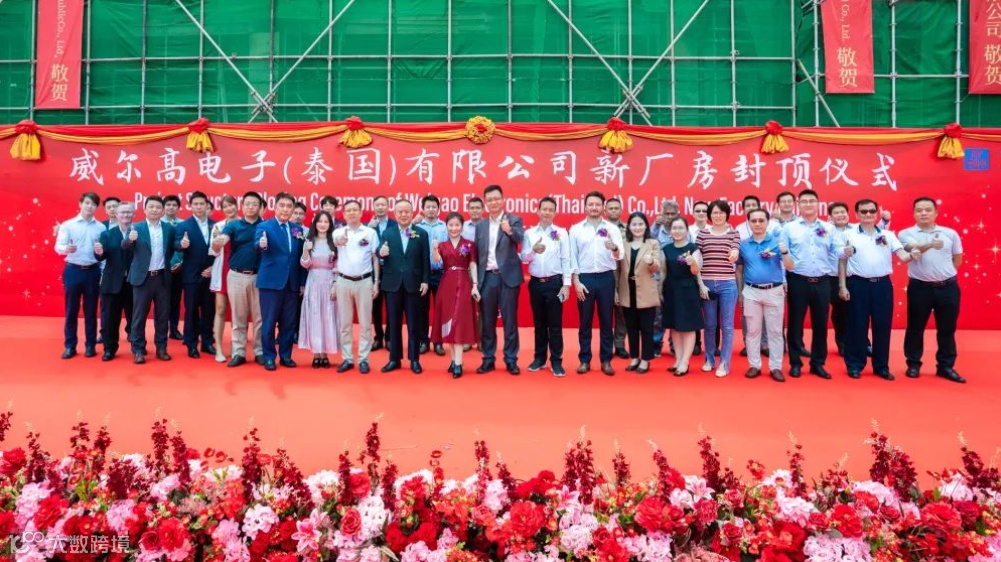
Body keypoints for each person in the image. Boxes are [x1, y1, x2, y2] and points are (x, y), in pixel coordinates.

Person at [838, 199, 920, 380]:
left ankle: (881, 366)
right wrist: (842, 286)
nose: (868, 214)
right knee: (856, 325)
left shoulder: (887, 235)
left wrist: (912, 255)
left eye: (871, 211)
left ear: (876, 214)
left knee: (882, 326)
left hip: (882, 286)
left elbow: (902, 256)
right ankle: (854, 365)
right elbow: (842, 261)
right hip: (857, 284)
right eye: (864, 211)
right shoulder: (848, 235)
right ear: (857, 214)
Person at [898, 197, 965, 383]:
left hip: (948, 287)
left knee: (947, 329)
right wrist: (929, 244)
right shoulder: (906, 233)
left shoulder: (950, 233)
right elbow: (911, 248)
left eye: (928, 210)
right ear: (914, 213)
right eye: (919, 210)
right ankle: (913, 364)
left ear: (936, 213)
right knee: (915, 327)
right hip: (920, 288)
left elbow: (957, 258)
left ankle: (945, 366)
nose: (924, 213)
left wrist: (944, 275)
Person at [780, 189, 840, 379]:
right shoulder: (789, 228)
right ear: (798, 205)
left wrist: (846, 251)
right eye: (804, 201)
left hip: (823, 281)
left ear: (818, 204)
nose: (808, 204)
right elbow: (783, 255)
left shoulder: (829, 228)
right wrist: (784, 280)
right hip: (798, 280)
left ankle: (817, 363)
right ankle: (795, 363)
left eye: (811, 201)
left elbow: (836, 251)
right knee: (795, 323)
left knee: (821, 324)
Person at [570, 191, 624, 376]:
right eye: (590, 204)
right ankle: (584, 360)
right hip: (584, 278)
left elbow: (621, 254)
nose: (594, 207)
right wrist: (576, 281)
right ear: (585, 207)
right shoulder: (576, 229)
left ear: (603, 207)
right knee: (585, 321)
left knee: (607, 321)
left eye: (597, 204)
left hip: (606, 278)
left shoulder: (612, 229)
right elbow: (572, 257)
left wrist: (614, 248)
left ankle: (606, 360)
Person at [737, 208, 794, 382]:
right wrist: (740, 293)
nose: (757, 224)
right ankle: (754, 365)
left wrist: (785, 252)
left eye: (761, 220)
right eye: (753, 221)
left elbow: (790, 266)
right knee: (752, 331)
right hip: (751, 291)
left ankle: (776, 367)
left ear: (768, 222)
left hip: (774, 291)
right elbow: (739, 270)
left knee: (775, 332)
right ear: (749, 223)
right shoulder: (743, 245)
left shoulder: (777, 242)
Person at [475, 185, 525, 375]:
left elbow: (519, 239)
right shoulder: (481, 225)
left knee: (510, 321)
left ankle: (511, 359)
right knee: (487, 322)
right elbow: (478, 254)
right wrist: (475, 282)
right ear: (485, 202)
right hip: (487, 278)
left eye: (496, 198)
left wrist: (509, 230)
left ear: (503, 199)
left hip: (508, 278)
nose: (493, 202)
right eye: (490, 200)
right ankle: (488, 359)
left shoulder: (514, 219)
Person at [255, 192, 307, 372]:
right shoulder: (264, 226)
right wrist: (262, 244)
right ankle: (269, 357)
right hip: (271, 283)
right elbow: (258, 245)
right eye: (282, 206)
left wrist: (301, 282)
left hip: (292, 283)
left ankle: (286, 356)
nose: (285, 209)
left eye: (289, 206)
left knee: (289, 323)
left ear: (293, 209)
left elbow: (300, 257)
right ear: (275, 207)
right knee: (269, 322)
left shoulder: (297, 230)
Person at [520, 197, 571, 377]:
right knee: (539, 324)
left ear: (555, 213)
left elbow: (566, 259)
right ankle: (539, 359)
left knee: (555, 325)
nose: (547, 212)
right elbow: (524, 258)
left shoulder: (561, 233)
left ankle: (556, 361)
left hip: (555, 283)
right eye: (544, 209)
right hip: (536, 284)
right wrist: (533, 250)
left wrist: (566, 284)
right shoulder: (529, 233)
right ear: (538, 211)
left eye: (550, 210)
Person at [215, 191, 265, 368]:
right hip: (236, 276)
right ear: (242, 206)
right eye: (248, 204)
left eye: (254, 204)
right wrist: (220, 240)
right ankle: (238, 352)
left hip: (259, 277)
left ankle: (259, 351)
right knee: (238, 317)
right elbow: (224, 238)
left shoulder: (265, 226)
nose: (251, 207)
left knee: (259, 318)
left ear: (260, 207)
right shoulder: (234, 225)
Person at [379, 200, 430, 374]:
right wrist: (381, 252)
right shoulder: (388, 233)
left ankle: (414, 359)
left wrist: (425, 280)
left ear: (412, 212)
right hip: (392, 284)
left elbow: (425, 259)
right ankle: (394, 359)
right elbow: (380, 251)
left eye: (407, 211)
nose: (403, 215)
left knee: (414, 324)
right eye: (400, 212)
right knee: (393, 323)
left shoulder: (421, 234)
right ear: (394, 214)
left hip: (413, 283)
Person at [54, 192, 106, 359]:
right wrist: (66, 249)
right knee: (71, 310)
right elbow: (58, 246)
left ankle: (90, 345)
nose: (90, 206)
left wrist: (102, 271)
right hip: (73, 270)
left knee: (91, 311)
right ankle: (70, 346)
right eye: (87, 203)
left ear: (97, 207)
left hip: (93, 271)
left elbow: (103, 254)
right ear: (80, 204)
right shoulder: (68, 225)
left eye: (94, 204)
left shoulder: (101, 228)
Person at [125, 196, 176, 364]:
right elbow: (124, 245)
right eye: (151, 207)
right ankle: (138, 349)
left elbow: (173, 248)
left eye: (158, 207)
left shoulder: (169, 228)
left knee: (162, 316)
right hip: (143, 278)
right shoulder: (135, 227)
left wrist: (182, 245)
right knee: (139, 316)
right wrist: (130, 239)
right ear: (145, 209)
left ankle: (161, 348)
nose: (154, 210)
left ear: (162, 211)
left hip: (162, 278)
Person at [332, 200, 380, 374]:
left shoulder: (370, 233)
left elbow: (375, 258)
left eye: (355, 210)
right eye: (348, 210)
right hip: (343, 281)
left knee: (365, 324)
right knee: (345, 324)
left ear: (361, 213)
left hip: (364, 282)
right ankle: (347, 358)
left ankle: (363, 359)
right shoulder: (337, 233)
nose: (352, 213)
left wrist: (376, 282)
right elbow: (333, 251)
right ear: (344, 214)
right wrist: (339, 242)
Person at [431, 212, 480, 379]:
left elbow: (472, 265)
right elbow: (437, 261)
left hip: (464, 283)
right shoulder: (442, 245)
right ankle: (453, 361)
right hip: (447, 284)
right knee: (448, 323)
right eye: (450, 225)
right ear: (446, 226)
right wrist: (434, 249)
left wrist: (475, 285)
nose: (454, 228)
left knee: (458, 322)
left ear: (462, 226)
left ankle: (459, 363)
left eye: (457, 225)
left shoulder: (469, 244)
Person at [696, 200, 740, 377]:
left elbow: (735, 249)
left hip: (728, 284)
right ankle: (709, 360)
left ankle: (724, 363)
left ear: (727, 214)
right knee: (710, 325)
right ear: (710, 215)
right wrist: (700, 284)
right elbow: (696, 260)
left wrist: (734, 254)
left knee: (727, 326)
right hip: (707, 283)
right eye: (714, 212)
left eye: (721, 212)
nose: (718, 216)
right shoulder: (702, 234)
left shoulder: (734, 233)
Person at [615, 212, 663, 374]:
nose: (637, 227)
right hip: (627, 291)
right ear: (629, 226)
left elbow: (656, 266)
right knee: (631, 327)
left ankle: (645, 359)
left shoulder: (652, 243)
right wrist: (616, 290)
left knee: (647, 328)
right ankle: (634, 357)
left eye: (640, 224)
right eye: (634, 224)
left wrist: (651, 262)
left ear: (646, 226)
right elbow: (618, 270)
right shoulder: (623, 244)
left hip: (646, 292)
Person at [173, 191, 217, 359]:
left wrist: (213, 268)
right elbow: (176, 244)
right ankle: (191, 344)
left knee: (209, 310)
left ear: (207, 206)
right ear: (190, 206)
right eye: (195, 204)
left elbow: (220, 251)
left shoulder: (215, 225)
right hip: (191, 275)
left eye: (202, 204)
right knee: (191, 310)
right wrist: (181, 244)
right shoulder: (184, 226)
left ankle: (207, 342)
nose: (199, 207)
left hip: (211, 274)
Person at [661, 216, 704, 376]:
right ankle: (678, 359)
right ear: (670, 231)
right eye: (674, 228)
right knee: (674, 326)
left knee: (688, 326)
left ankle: (685, 362)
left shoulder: (693, 248)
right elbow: (663, 272)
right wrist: (660, 291)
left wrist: (692, 262)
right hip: (671, 289)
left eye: (680, 228)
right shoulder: (666, 249)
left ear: (687, 230)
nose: (677, 231)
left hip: (688, 290)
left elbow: (696, 271)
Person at [298, 211, 340, 369]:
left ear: (330, 225)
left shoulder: (334, 242)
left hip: (329, 281)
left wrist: (335, 284)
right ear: (315, 224)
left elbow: (338, 265)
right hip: (314, 281)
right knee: (315, 316)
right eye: (319, 221)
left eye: (326, 222)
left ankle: (325, 353)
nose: (322, 224)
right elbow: (305, 264)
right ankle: (316, 353)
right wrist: (305, 250)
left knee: (328, 317)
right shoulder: (309, 241)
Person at [95, 203, 135, 362]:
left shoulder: (138, 232)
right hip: (112, 282)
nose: (126, 215)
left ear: (133, 214)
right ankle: (109, 348)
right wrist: (98, 252)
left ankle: (138, 347)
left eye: (129, 212)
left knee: (135, 317)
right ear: (116, 215)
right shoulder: (107, 234)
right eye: (122, 212)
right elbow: (101, 256)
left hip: (134, 282)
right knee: (110, 318)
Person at [416, 195, 448, 356]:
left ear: (438, 209)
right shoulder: (416, 227)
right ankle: (423, 340)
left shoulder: (445, 227)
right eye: (428, 207)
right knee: (422, 309)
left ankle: (438, 341)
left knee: (440, 308)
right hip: (421, 274)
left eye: (434, 207)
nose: (431, 209)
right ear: (423, 209)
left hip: (440, 273)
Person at [209, 195, 239, 362]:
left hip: (238, 270)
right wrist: (216, 241)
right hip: (222, 269)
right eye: (225, 207)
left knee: (238, 312)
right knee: (220, 309)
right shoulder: (218, 226)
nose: (229, 209)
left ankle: (236, 349)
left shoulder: (243, 224)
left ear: (237, 206)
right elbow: (212, 252)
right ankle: (219, 349)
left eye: (231, 205)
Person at [368, 195, 397, 351]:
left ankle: (389, 337)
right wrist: (369, 228)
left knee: (391, 305)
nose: (380, 207)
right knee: (375, 306)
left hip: (391, 269)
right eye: (377, 205)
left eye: (383, 205)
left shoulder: (395, 224)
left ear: (388, 206)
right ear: (373, 207)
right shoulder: (367, 226)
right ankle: (378, 337)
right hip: (373, 270)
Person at [604, 198, 630, 360]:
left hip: (623, 273)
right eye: (610, 208)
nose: (613, 210)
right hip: (605, 272)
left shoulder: (628, 229)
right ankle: (606, 347)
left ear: (621, 210)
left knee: (622, 311)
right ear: (605, 211)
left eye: (616, 208)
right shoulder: (600, 228)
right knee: (606, 312)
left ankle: (619, 345)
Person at [162, 194, 184, 340]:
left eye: (174, 205)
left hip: (179, 269)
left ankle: (174, 329)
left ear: (178, 207)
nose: (171, 207)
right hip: (161, 269)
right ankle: (161, 329)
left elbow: (186, 246)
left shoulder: (183, 224)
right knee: (162, 301)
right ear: (163, 207)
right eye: (168, 205)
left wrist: (181, 263)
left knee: (175, 300)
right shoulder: (158, 223)